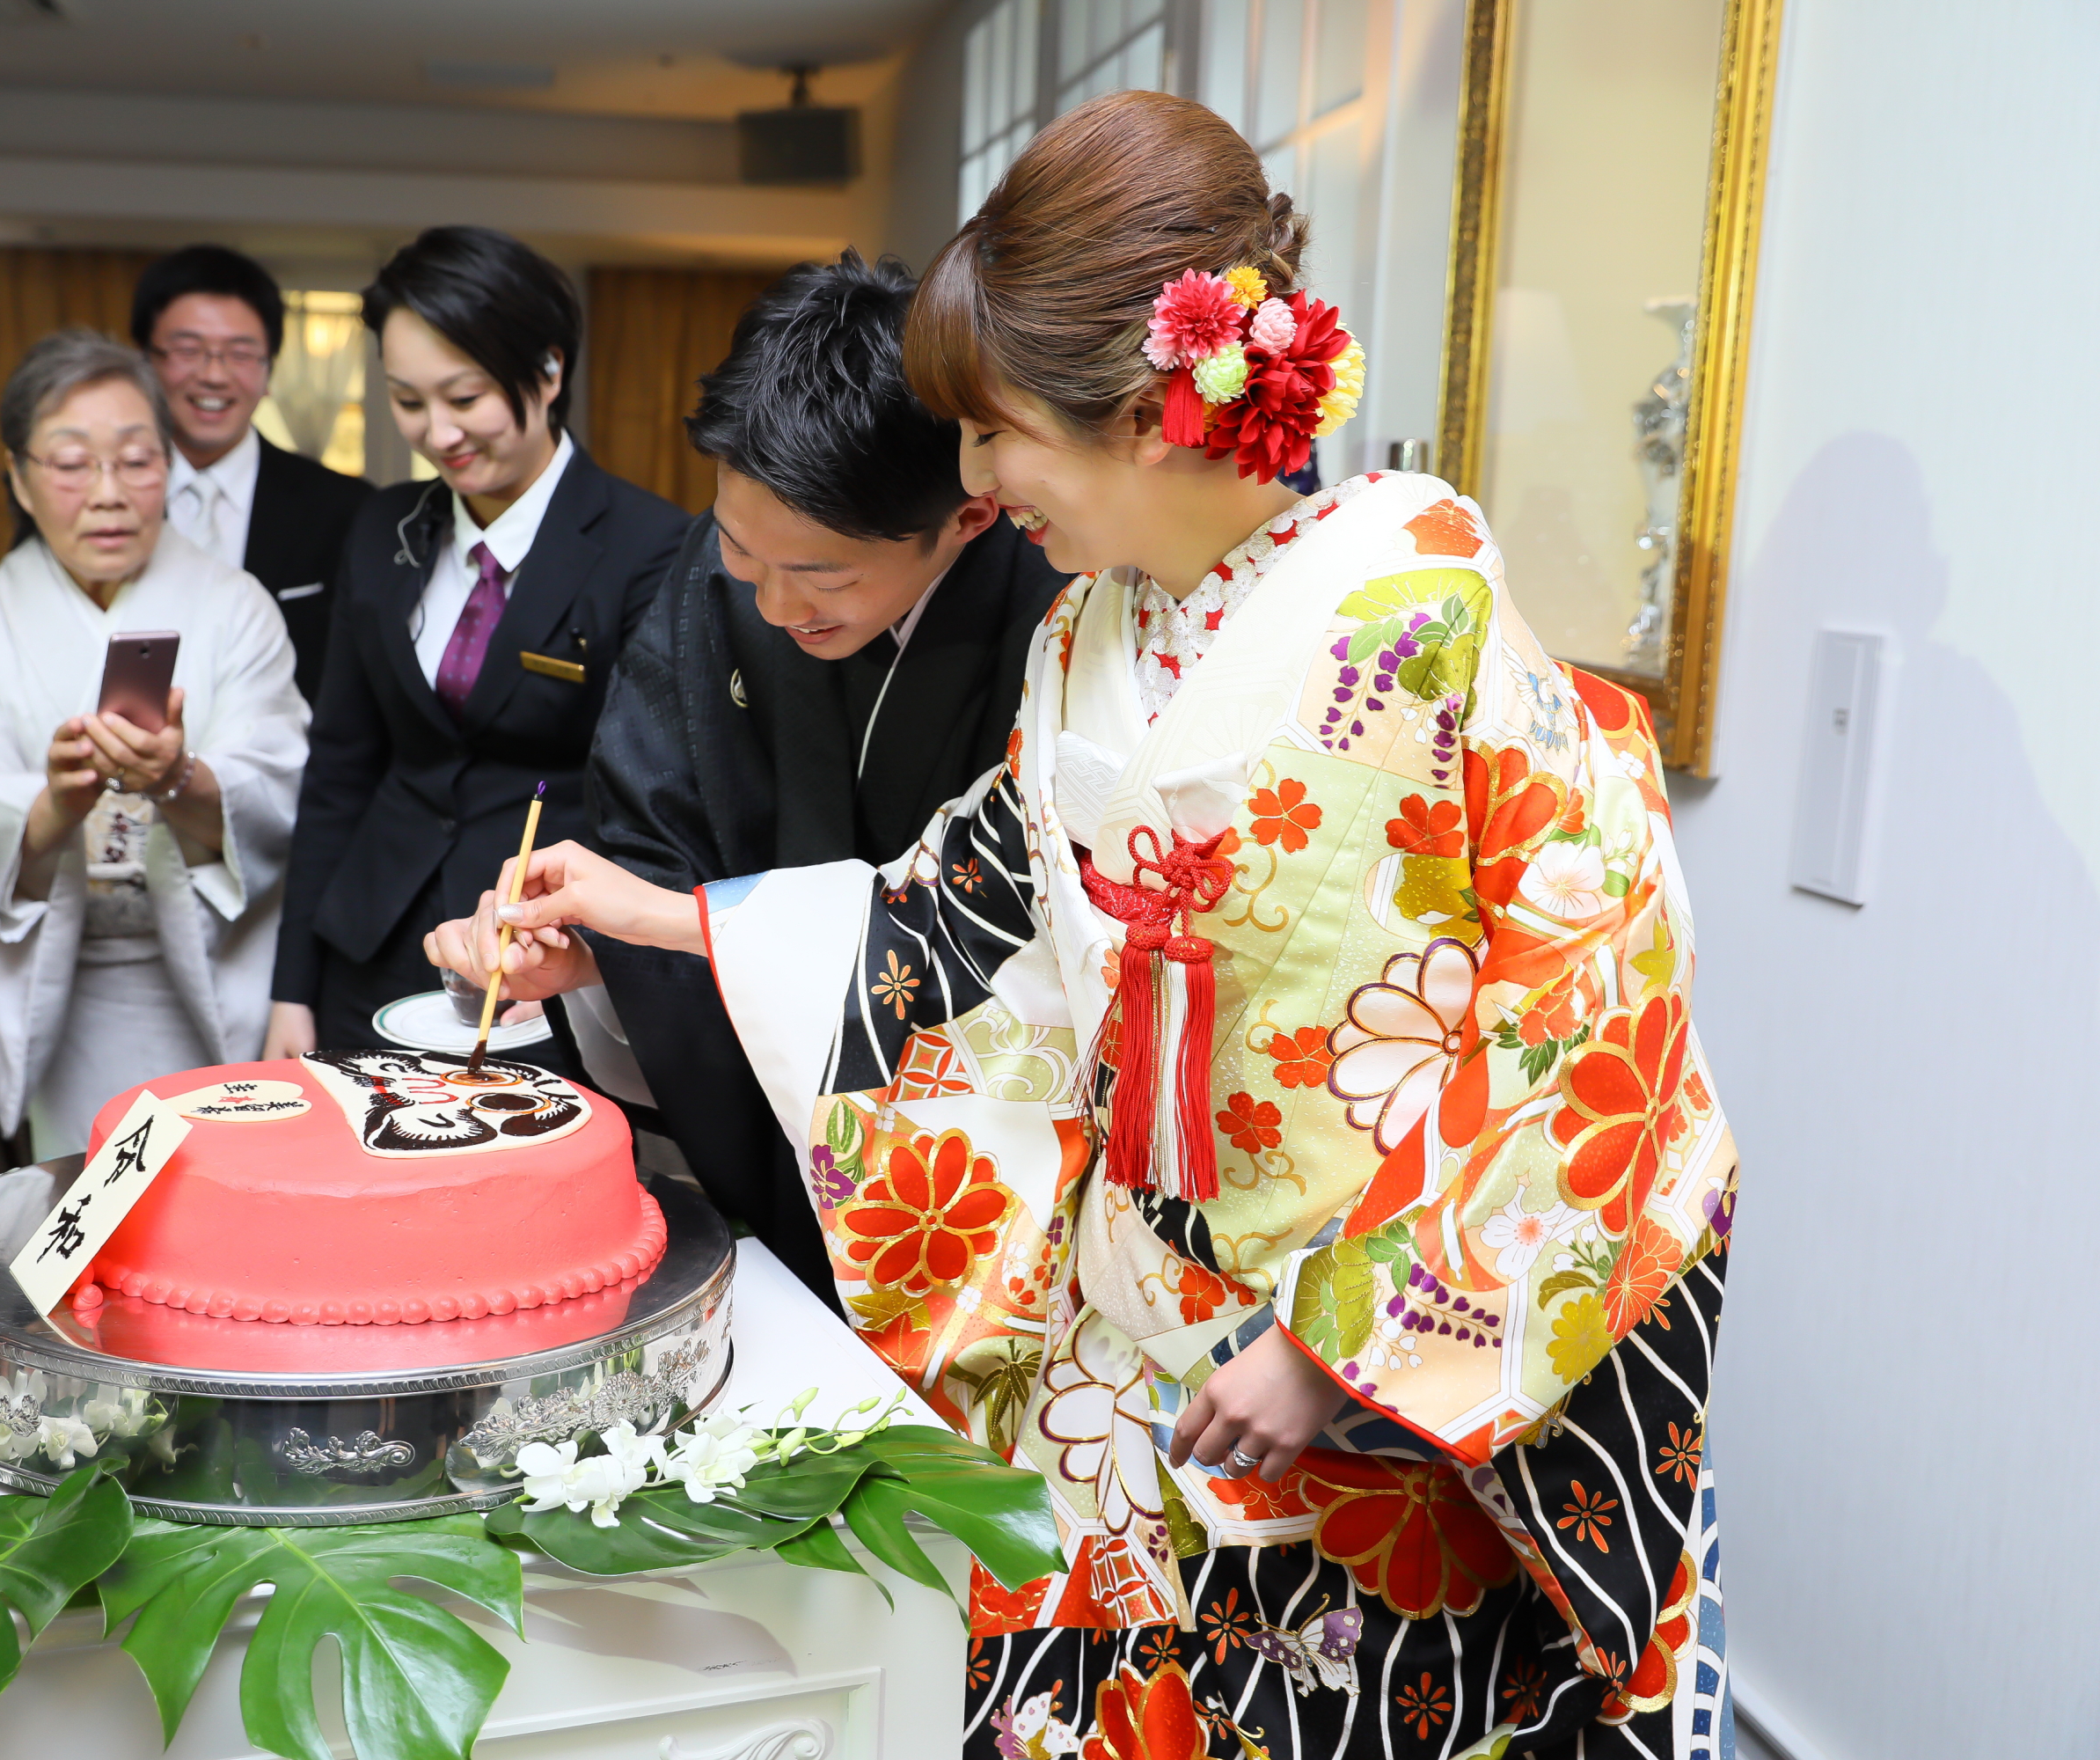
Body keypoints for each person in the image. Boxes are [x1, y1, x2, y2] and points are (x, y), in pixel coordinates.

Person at [435, 92, 1737, 1758]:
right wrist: (653, 917)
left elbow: (1596, 1004)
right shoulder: (1086, 651)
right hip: (1150, 1327)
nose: (974, 482)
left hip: (1397, 1338)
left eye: (997, 436)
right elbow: (965, 925)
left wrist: (1345, 1348)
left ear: (1152, 410)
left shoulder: (1423, 602)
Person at [459, 251, 1067, 1294]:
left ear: (970, 513)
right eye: (744, 553)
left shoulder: (1054, 605)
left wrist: (667, 929)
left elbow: (1026, 926)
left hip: (979, 1165)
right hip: (759, 1133)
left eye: (822, 575)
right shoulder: (720, 567)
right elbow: (654, 832)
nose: (776, 607)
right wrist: (602, 953)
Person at [264, 226, 686, 1066]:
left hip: (526, 958)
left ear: (549, 370)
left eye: (465, 397)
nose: (439, 432)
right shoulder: (383, 529)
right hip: (370, 940)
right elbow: (342, 764)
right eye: (408, 400)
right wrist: (292, 986)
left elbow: (644, 798)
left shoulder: (649, 545)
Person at [0, 328, 308, 1155]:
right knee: (96, 1205)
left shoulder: (238, 606)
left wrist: (179, 777)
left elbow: (273, 784)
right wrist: (58, 801)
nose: (109, 492)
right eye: (72, 462)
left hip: (218, 968)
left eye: (136, 459)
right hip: (66, 980)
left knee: (234, 1203)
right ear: (17, 474)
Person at [133, 244, 375, 701]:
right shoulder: (97, 498)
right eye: (188, 350)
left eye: (241, 354)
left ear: (269, 372)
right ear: (146, 362)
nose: (215, 376)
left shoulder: (346, 509)